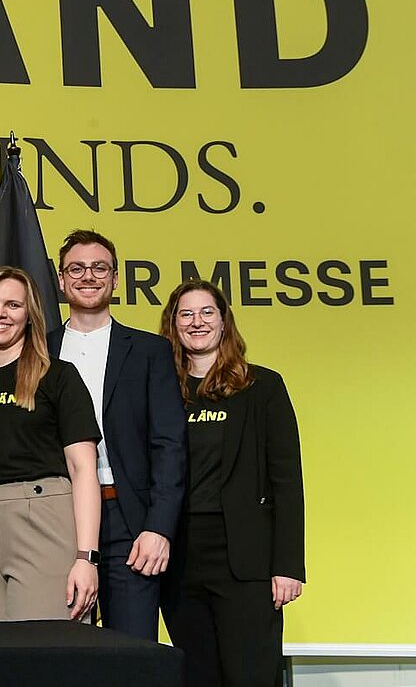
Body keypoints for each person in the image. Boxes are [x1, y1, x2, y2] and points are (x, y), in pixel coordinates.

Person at [158, 280, 305, 687]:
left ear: (224, 322)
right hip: (180, 557)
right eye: (185, 314)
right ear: (173, 324)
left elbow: (287, 481)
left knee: (251, 675)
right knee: (198, 676)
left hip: (245, 558)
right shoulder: (160, 389)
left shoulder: (263, 387)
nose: (197, 322)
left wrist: (288, 565)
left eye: (207, 312)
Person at [0, 267, 101, 622]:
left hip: (43, 517)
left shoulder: (58, 375)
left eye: (13, 305)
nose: (0, 313)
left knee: (45, 653)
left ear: (30, 315)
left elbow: (83, 469)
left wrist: (86, 557)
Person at [49, 229, 187, 638]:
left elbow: (169, 445)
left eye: (99, 268)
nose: (87, 276)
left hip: (131, 522)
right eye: (76, 268)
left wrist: (158, 527)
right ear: (60, 280)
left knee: (131, 654)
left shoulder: (150, 351)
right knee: (60, 651)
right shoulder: (38, 348)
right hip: (57, 517)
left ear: (115, 278)